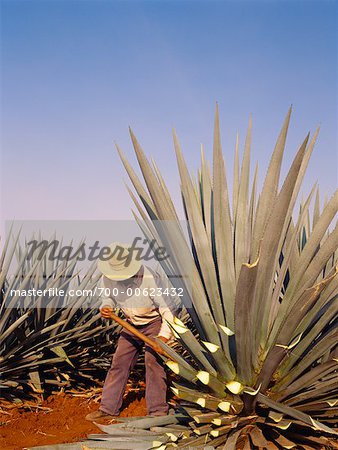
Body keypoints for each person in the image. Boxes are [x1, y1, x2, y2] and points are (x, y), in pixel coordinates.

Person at [86, 242, 175, 421]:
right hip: (130, 324)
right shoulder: (108, 277)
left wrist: (164, 337)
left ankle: (157, 411)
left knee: (153, 362)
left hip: (154, 322)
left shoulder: (150, 277)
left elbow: (168, 308)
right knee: (119, 362)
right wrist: (106, 307)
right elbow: (107, 298)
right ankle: (108, 408)